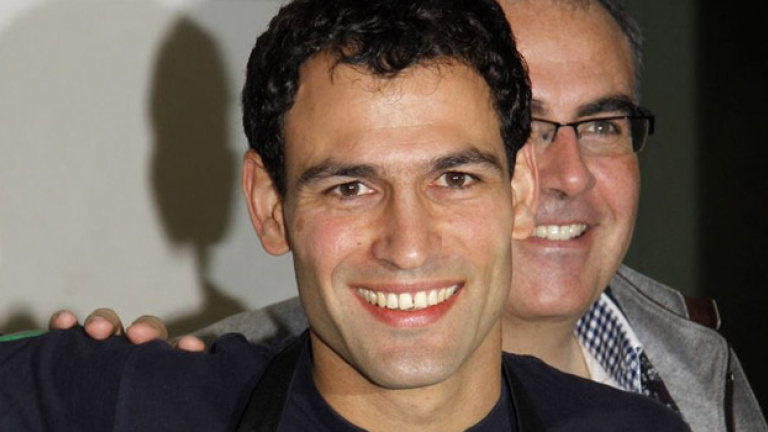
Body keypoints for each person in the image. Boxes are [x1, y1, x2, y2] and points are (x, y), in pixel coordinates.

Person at [46, 0, 765, 430]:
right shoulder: (178, 391)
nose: (409, 245)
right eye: (351, 187)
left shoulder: (694, 368)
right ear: (271, 206)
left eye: (602, 124)